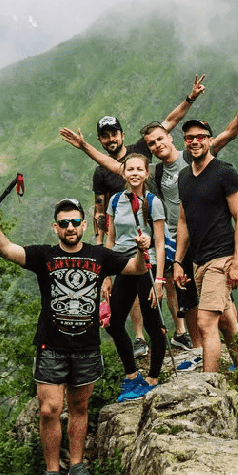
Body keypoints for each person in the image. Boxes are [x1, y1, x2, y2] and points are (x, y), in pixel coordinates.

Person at [63, 86, 238, 356]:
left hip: (210, 241)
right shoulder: (155, 173)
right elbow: (116, 167)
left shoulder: (192, 157)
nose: (157, 146)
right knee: (189, 302)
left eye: (160, 139)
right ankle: (198, 351)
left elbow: (230, 133)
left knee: (224, 308)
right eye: (151, 144)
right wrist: (84, 146)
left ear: (170, 137)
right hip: (179, 244)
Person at [0, 196, 152, 475]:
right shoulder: (44, 256)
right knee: (49, 410)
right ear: (55, 228)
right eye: (64, 223)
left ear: (84, 225)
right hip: (51, 346)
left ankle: (75, 465)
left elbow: (135, 269)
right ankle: (51, 472)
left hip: (86, 346)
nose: (70, 227)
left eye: (75, 222)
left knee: (80, 407)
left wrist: (142, 251)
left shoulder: (100, 255)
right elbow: (5, 249)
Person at [62, 76, 206, 351]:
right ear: (101, 139)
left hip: (157, 225)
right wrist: (100, 248)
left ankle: (180, 330)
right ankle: (140, 338)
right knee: (135, 288)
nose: (110, 138)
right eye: (105, 135)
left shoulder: (141, 151)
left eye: (114, 133)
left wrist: (191, 98)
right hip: (125, 237)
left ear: (122, 134)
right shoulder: (102, 173)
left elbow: (171, 120)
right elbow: (100, 212)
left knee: (168, 279)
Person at [172, 116, 238, 375]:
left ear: (209, 140)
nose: (195, 141)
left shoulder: (225, 172)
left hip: (221, 258)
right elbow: (183, 221)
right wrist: (178, 262)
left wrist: (237, 262)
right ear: (184, 142)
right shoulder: (183, 177)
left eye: (200, 137)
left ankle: (209, 384)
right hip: (198, 262)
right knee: (227, 322)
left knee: (206, 323)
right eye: (190, 138)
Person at [102, 152, 168, 400]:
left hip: (146, 265)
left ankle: (152, 378)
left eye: (140, 169)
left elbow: (160, 243)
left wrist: (160, 280)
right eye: (130, 169)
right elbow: (110, 238)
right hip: (121, 264)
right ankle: (132, 375)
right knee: (114, 323)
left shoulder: (153, 202)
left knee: (152, 324)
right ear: (124, 173)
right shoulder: (115, 200)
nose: (135, 173)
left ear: (146, 173)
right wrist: (105, 275)